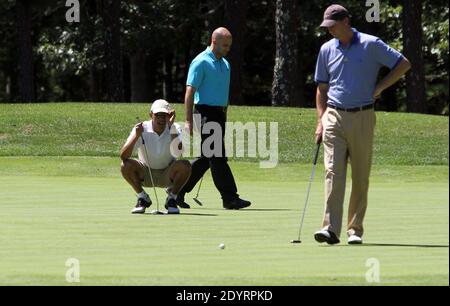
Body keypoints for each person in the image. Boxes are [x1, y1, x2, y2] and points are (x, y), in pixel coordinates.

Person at [313, 4, 411, 245]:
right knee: (333, 172)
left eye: (333, 26)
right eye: (327, 27)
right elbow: (321, 88)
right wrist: (321, 119)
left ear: (346, 21)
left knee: (360, 174)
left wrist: (379, 87)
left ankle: (354, 229)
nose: (330, 31)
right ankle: (330, 228)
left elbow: (403, 64)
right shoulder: (326, 49)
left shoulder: (371, 44)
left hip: (363, 116)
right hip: (334, 116)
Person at [177, 27, 251, 210]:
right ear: (214, 41)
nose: (228, 49)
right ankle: (230, 197)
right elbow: (190, 92)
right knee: (218, 156)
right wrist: (188, 120)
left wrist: (224, 112)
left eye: (229, 46)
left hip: (219, 114)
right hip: (204, 113)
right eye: (225, 45)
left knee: (206, 158)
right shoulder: (200, 62)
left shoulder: (225, 64)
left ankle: (176, 189)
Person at [120, 99, 191, 215]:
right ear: (151, 115)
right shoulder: (141, 128)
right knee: (125, 165)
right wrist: (136, 136)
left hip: (167, 174)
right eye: (158, 115)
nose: (161, 119)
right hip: (145, 172)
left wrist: (171, 127)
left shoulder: (175, 128)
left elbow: (179, 153)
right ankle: (142, 198)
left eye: (165, 115)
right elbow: (123, 156)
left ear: (170, 116)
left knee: (185, 165)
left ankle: (172, 198)